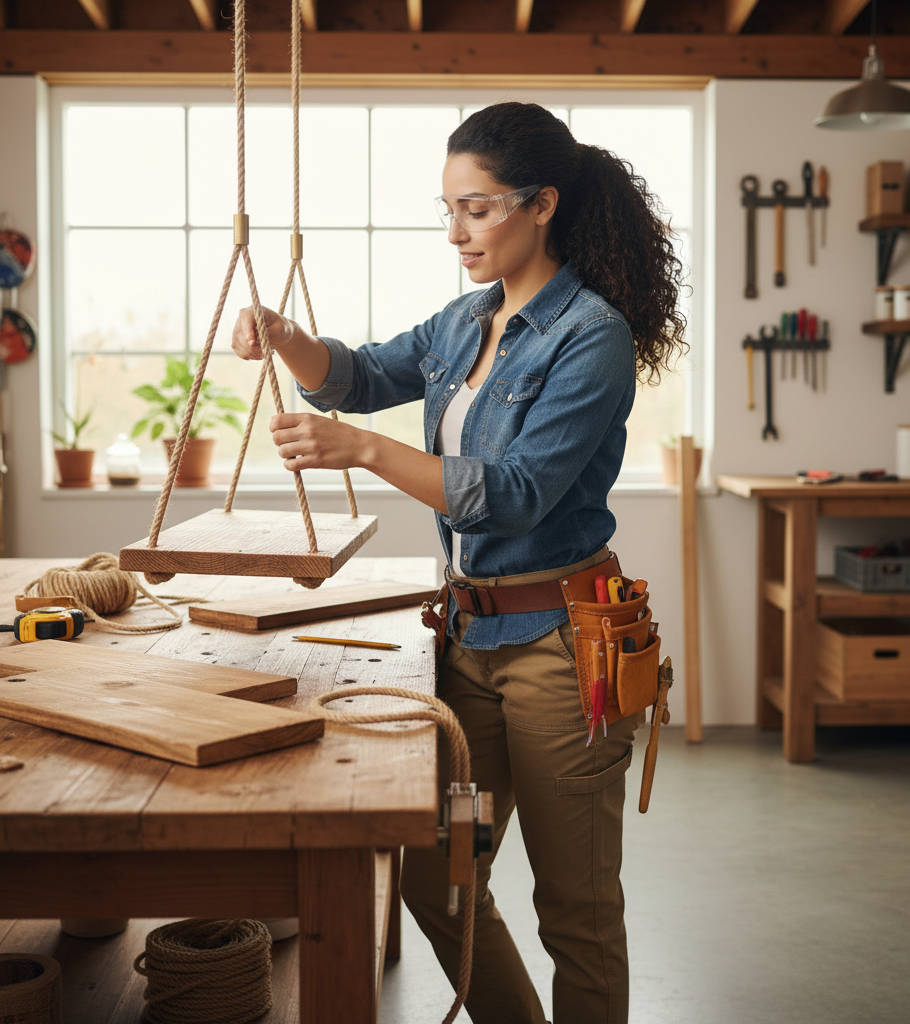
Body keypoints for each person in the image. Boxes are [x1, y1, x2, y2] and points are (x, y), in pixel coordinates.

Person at [231, 101, 686, 1024]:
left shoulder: (589, 336)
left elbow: (513, 492)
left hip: (566, 651)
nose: (455, 232)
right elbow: (358, 374)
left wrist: (362, 451)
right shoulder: (463, 320)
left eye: (476, 209)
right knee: (436, 883)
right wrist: (283, 333)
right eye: (447, 209)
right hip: (468, 639)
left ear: (543, 203)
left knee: (578, 914)